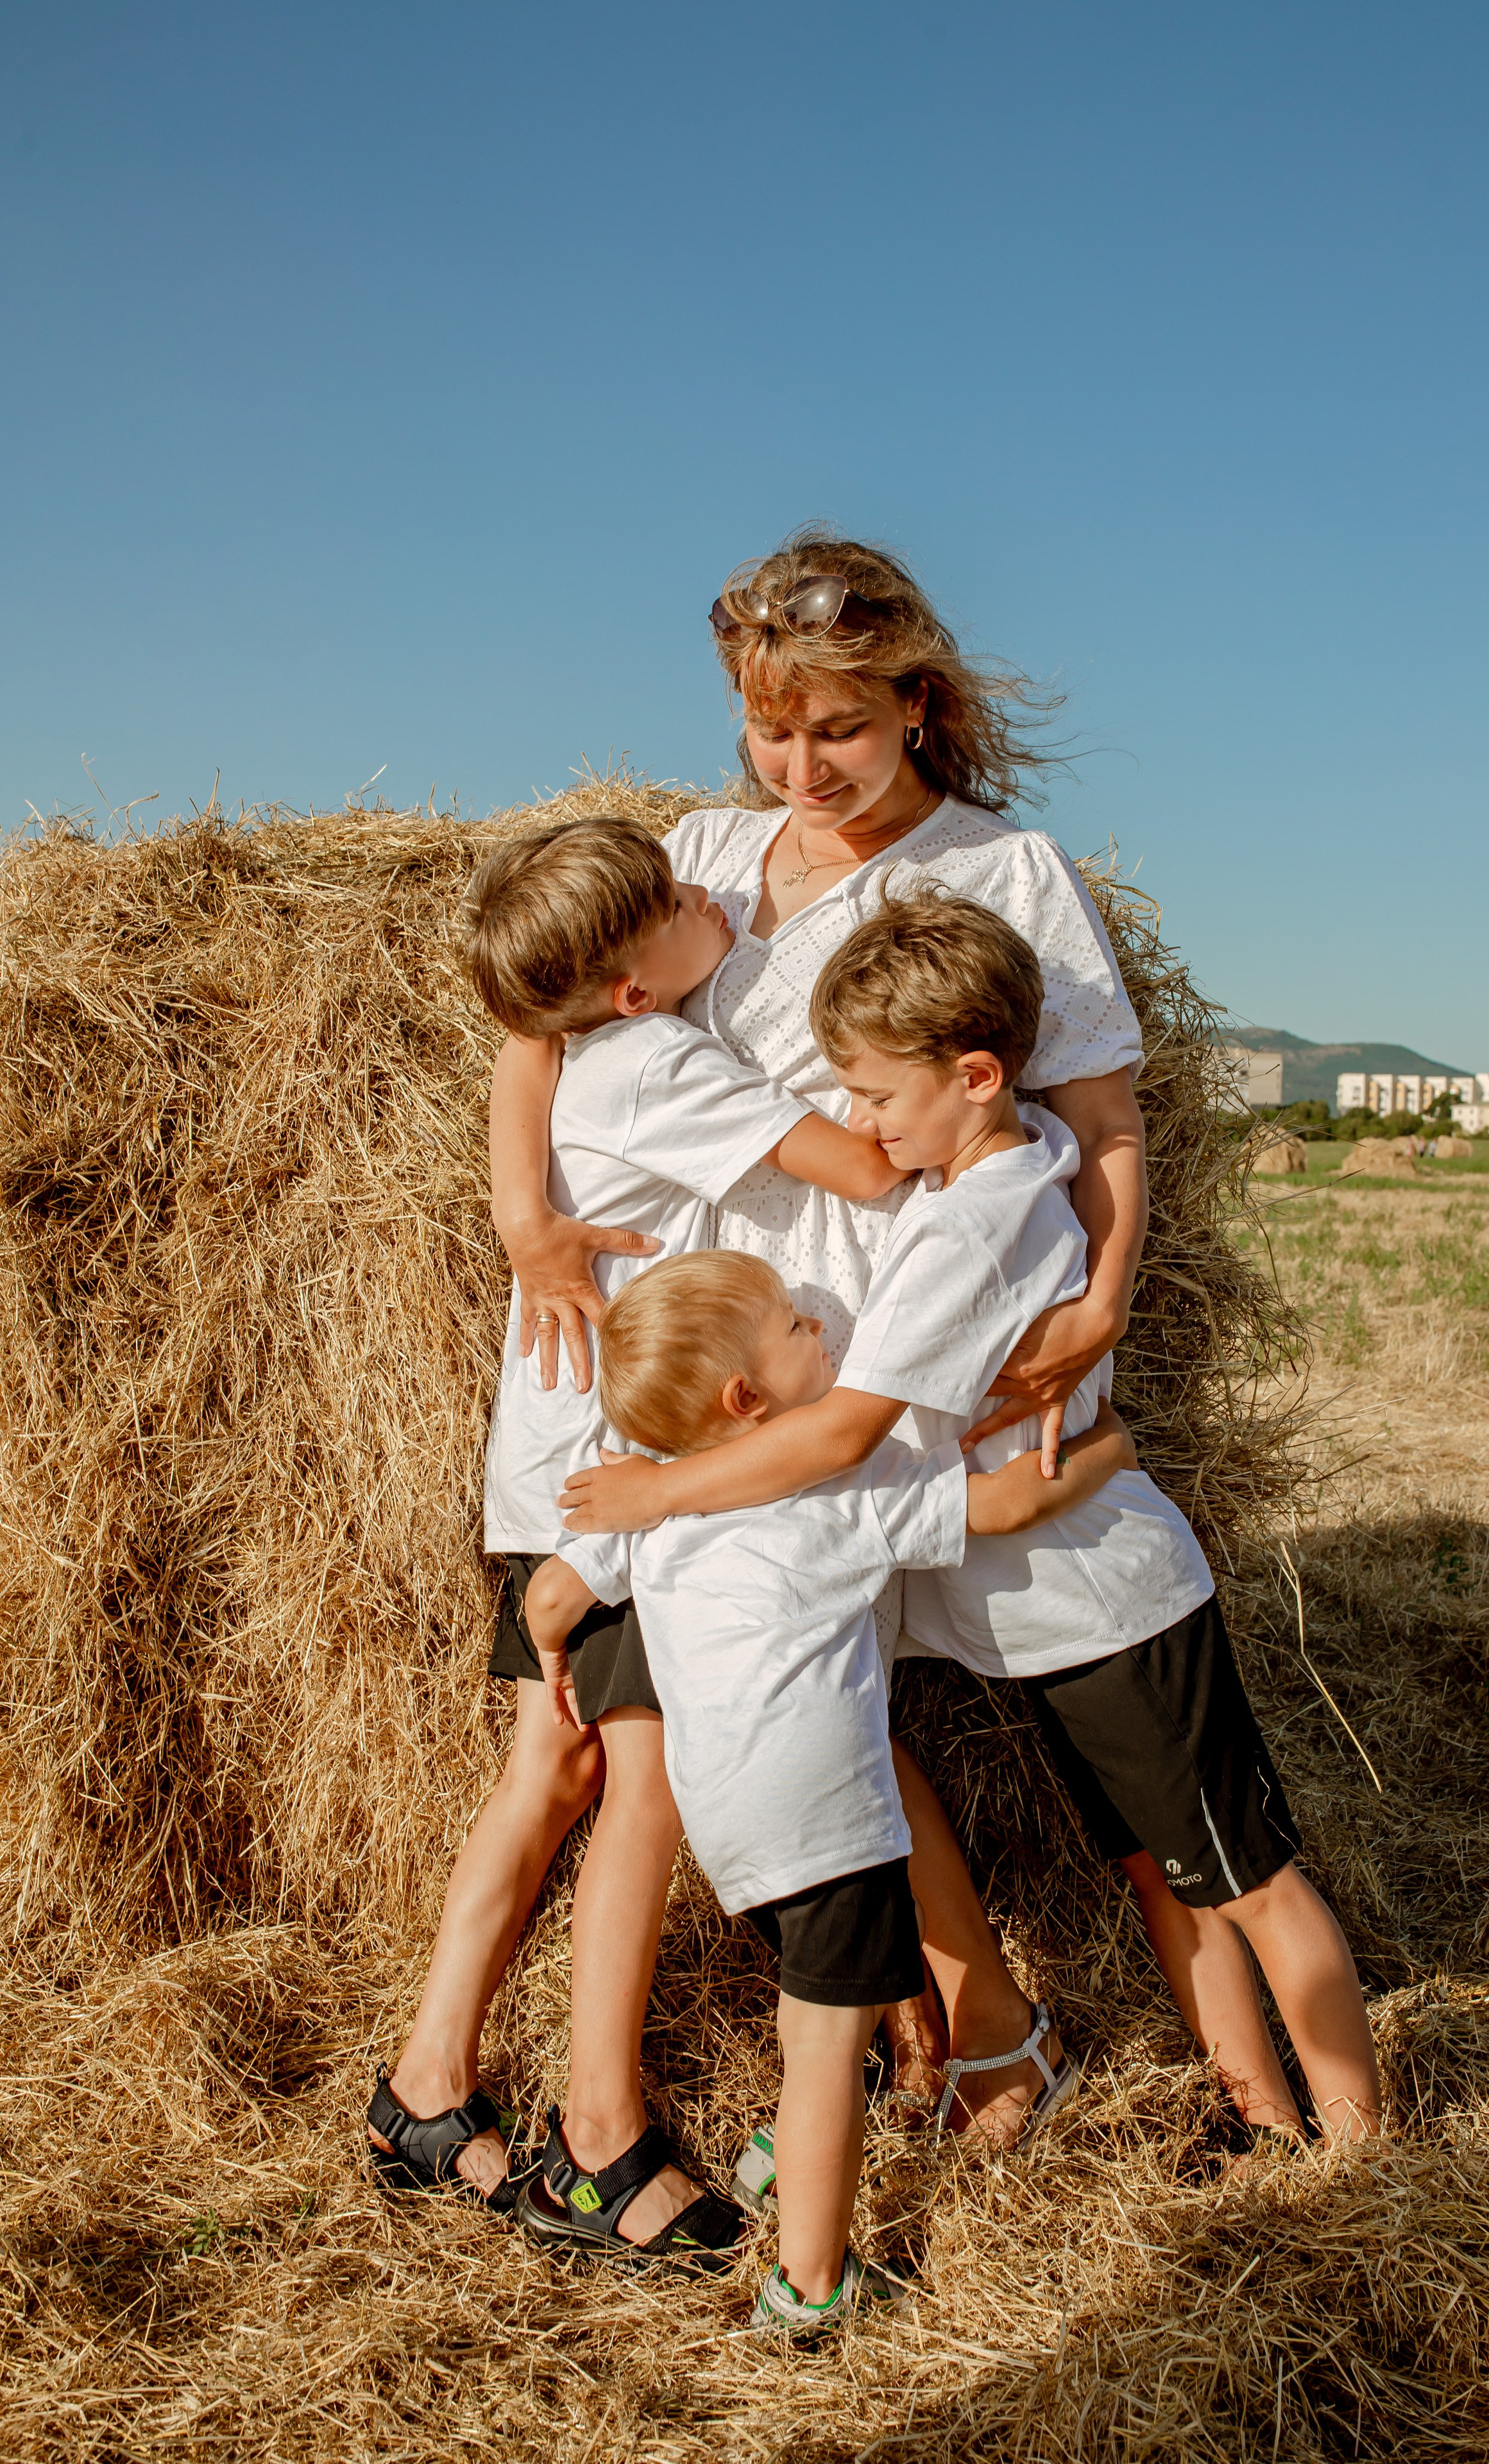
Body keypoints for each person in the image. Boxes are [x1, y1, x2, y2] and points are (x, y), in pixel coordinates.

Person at [491, 529, 1155, 2157]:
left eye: (838, 733)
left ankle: (970, 2031)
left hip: (887, 1334)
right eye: (770, 732)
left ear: (915, 702)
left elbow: (1101, 1118)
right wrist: (525, 1219)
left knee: (847, 1688)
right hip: (730, 1348)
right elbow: (534, 1023)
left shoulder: (1007, 874)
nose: (801, 768)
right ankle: (943, 2025)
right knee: (794, 1684)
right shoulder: (700, 849)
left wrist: (1109, 1293)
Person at [564, 894, 1382, 2147]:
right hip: (1049, 1617)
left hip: (1107, 1606)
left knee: (1246, 1877)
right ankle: (1263, 2122)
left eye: (879, 1099)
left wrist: (656, 1492)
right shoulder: (1017, 1161)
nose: (859, 1124)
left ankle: (1358, 2147)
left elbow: (844, 1432)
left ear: (978, 1075)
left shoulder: (965, 1228)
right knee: (1169, 1881)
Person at [367, 814, 912, 2245]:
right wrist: (951, 1104)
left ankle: (427, 2084)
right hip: (606, 1493)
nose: (705, 896)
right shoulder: (662, 1060)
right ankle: (597, 2135)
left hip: (546, 1466)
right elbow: (862, 1174)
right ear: (626, 988)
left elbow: (522, 1042)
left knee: (548, 1771)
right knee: (643, 1782)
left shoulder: (583, 1047)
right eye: (675, 899)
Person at [540, 1251, 1139, 2336]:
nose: (818, 1319)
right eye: (792, 1326)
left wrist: (548, 1607)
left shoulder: (653, 1510)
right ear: (749, 1400)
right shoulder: (836, 1491)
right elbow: (1002, 1504)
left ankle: (778, 2153)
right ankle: (810, 2286)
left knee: (817, 2007)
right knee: (821, 2046)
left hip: (727, 1830)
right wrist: (1111, 1450)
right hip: (829, 1821)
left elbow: (573, 1577)